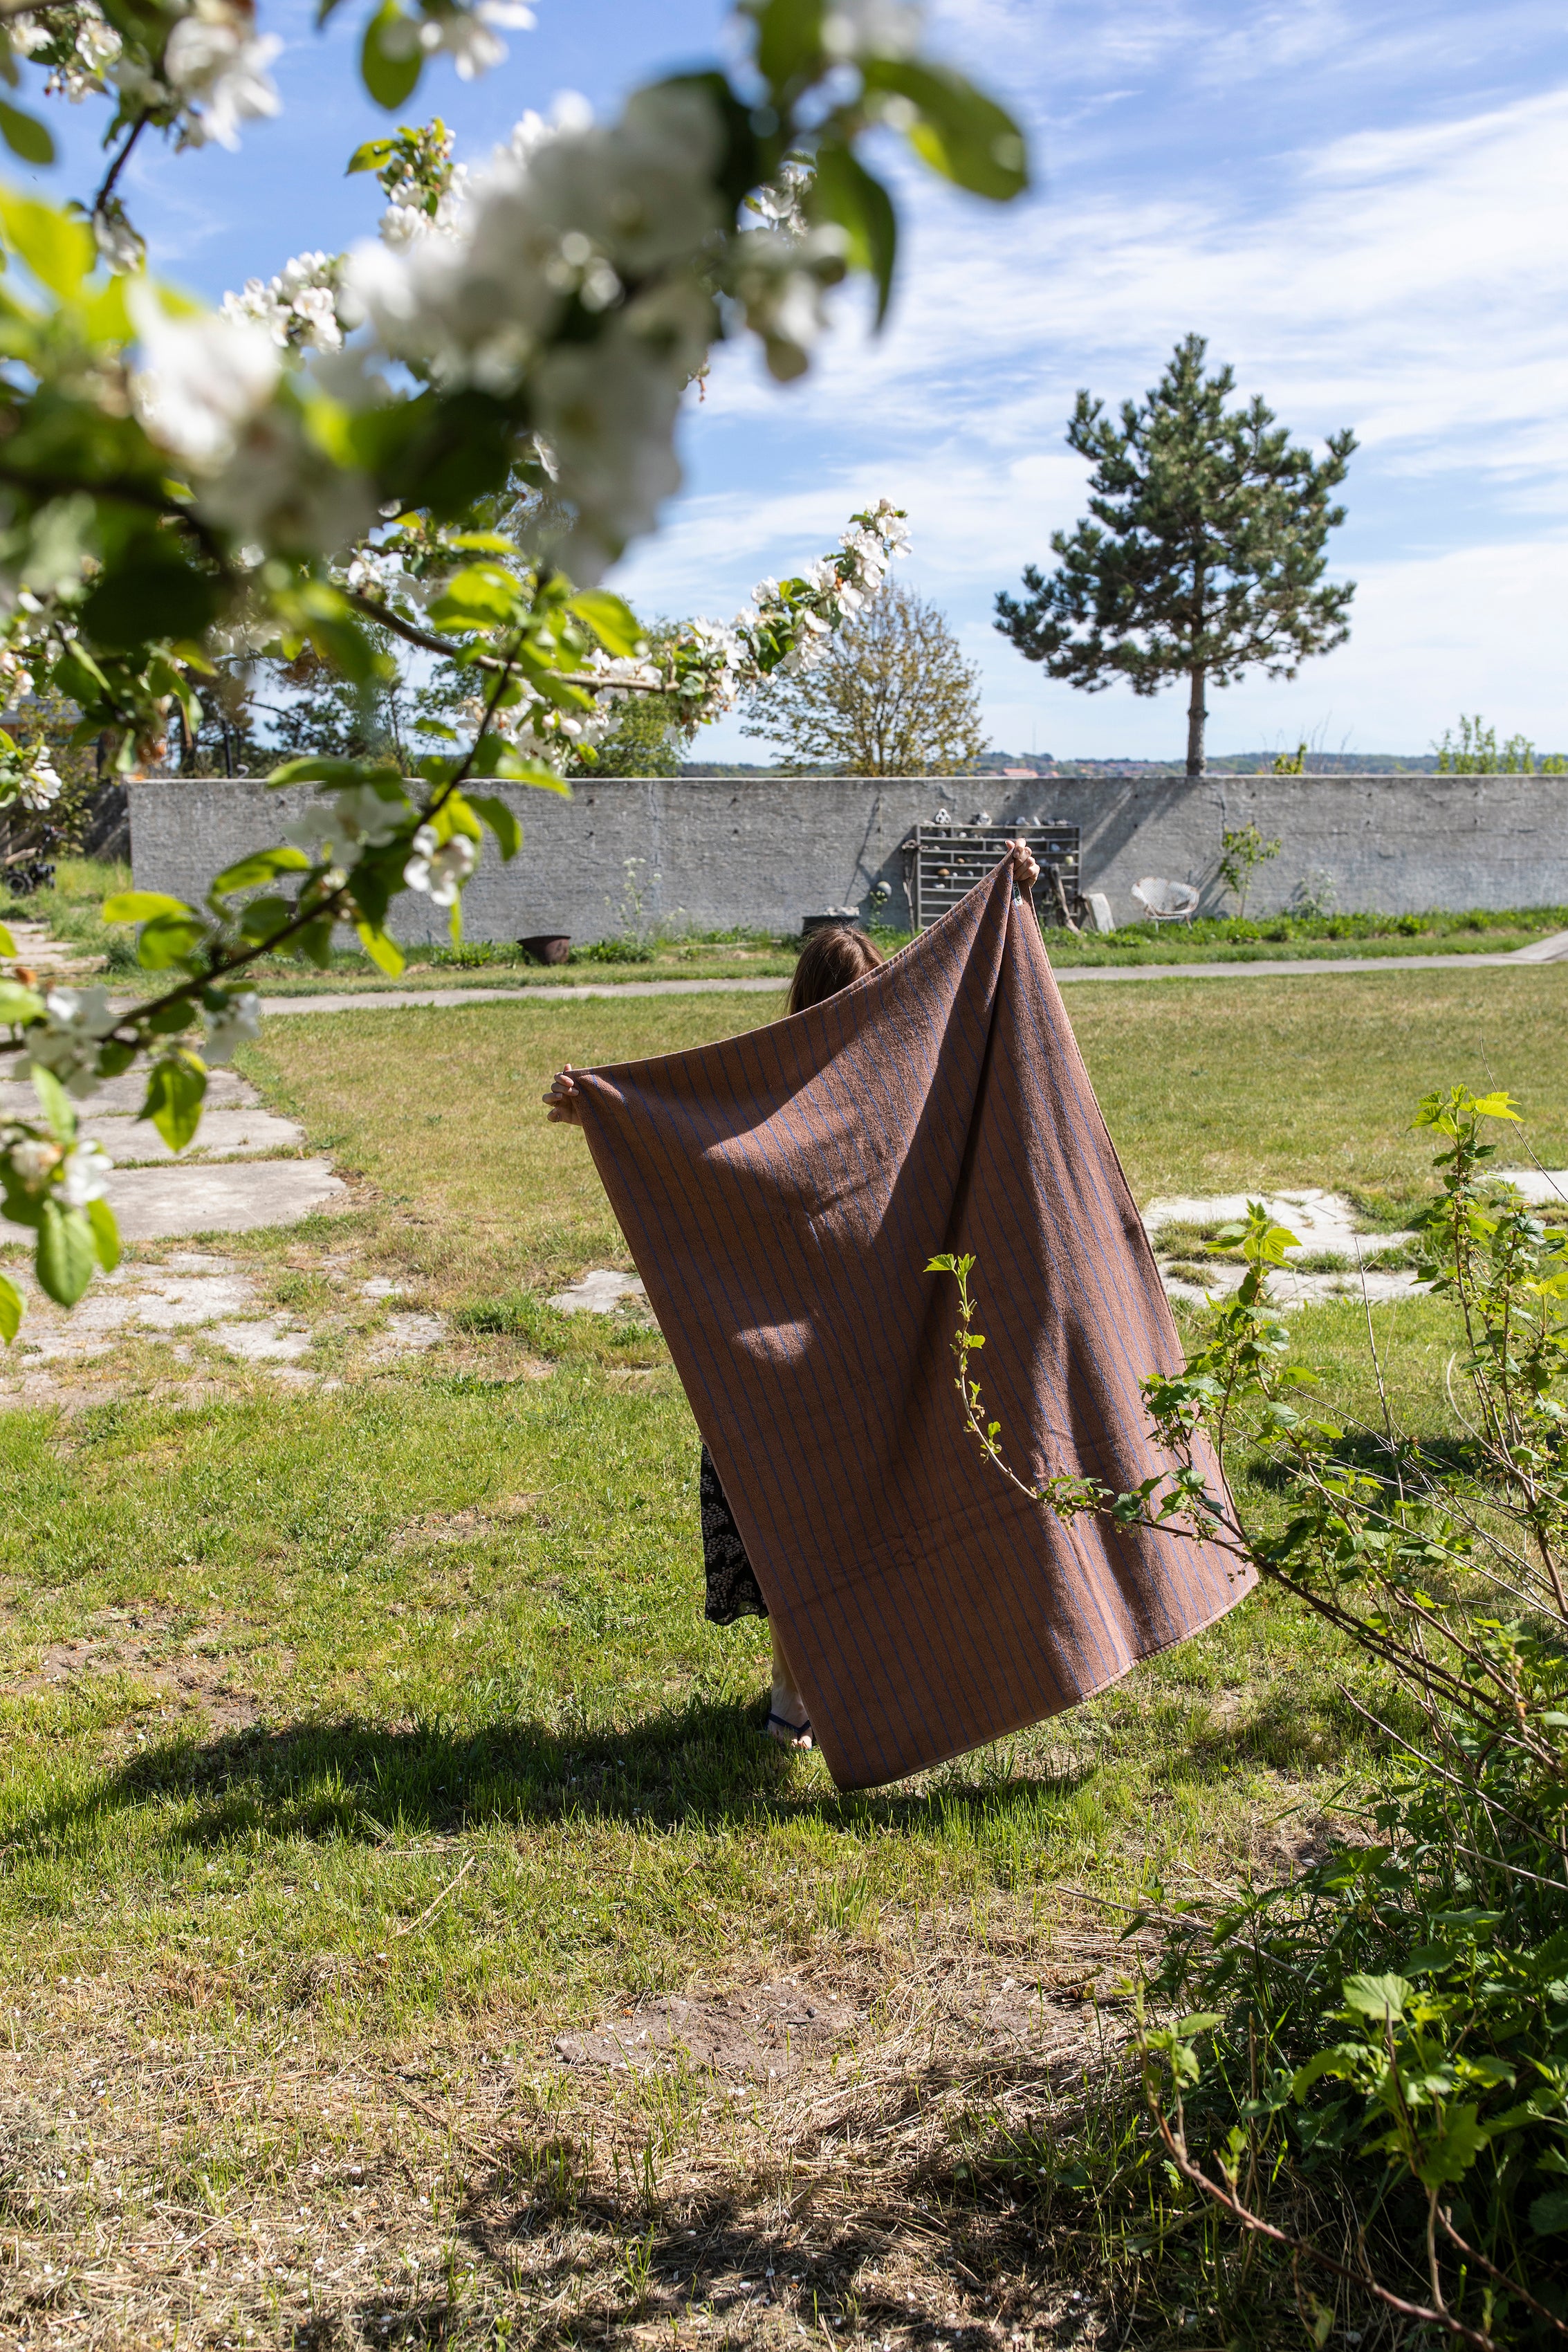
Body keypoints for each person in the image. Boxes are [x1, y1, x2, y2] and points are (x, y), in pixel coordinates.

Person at [544, 840, 1041, 1747]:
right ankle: (842, 1698)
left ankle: (798, 1708)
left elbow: (690, 1149)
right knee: (859, 1521)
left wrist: (603, 1114)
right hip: (885, 1355)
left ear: (797, 1001)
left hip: (788, 1372)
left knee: (796, 1529)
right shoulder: (902, 1076)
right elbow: (983, 1028)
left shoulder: (775, 1100)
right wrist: (1015, 904)